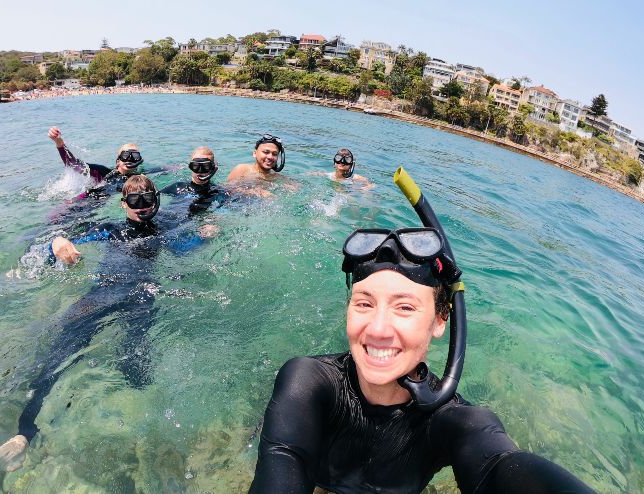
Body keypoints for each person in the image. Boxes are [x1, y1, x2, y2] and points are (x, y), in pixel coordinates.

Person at [249, 168, 595, 493]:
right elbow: (282, 457)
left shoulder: (454, 421)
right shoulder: (309, 382)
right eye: (364, 303)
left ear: (440, 320)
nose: (379, 329)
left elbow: (499, 466)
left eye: (405, 307)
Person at [0, 175, 213, 473]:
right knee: (57, 356)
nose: (143, 206)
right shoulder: (110, 229)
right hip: (101, 293)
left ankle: (144, 435)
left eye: (148, 199)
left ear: (157, 201)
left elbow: (183, 248)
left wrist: (204, 235)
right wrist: (58, 243)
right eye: (134, 200)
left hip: (142, 296)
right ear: (123, 204)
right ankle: (23, 436)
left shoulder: (163, 230)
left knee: (135, 363)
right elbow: (57, 245)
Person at [160, 146, 228, 216]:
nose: (200, 171)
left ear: (213, 168)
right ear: (190, 167)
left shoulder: (219, 193)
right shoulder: (178, 187)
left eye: (205, 166)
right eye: (196, 166)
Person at [226, 134, 292, 197]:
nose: (270, 157)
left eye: (274, 154)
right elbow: (227, 190)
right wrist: (256, 192)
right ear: (255, 153)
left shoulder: (278, 177)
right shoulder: (242, 169)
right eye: (266, 152)